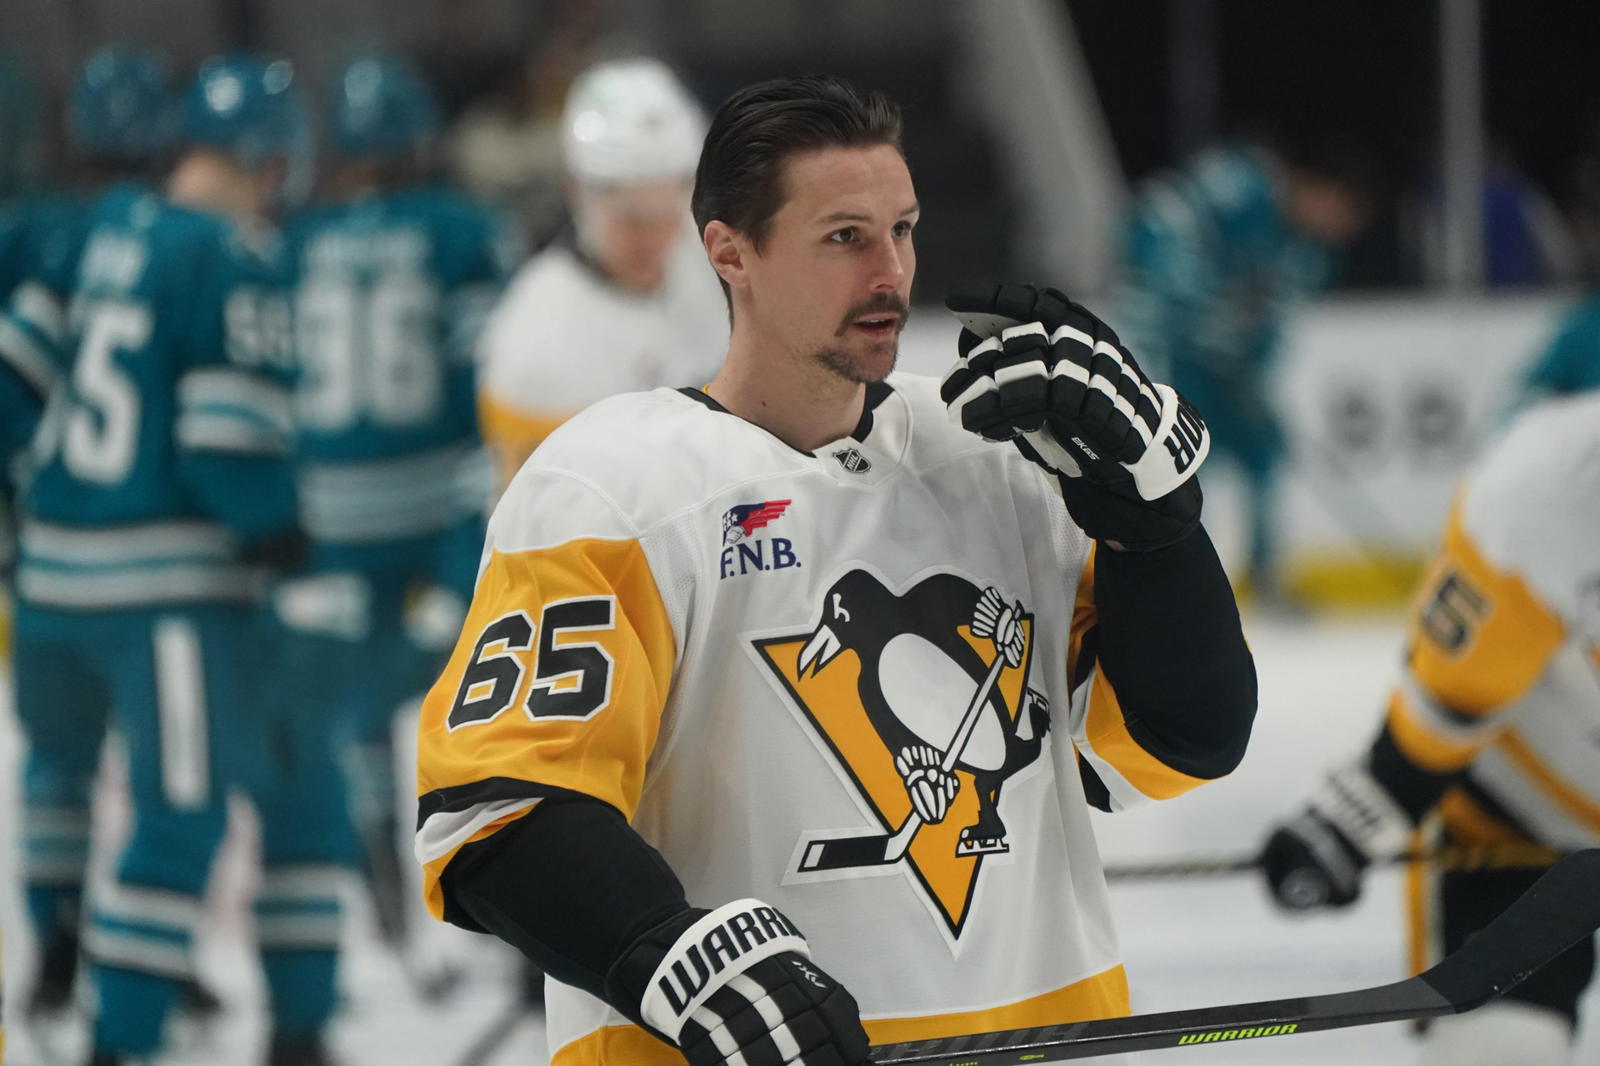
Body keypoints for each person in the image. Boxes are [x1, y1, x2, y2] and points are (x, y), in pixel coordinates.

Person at [416, 74, 1256, 1066]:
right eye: (844, 237)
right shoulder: (609, 491)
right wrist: (675, 956)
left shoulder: (996, 461)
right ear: (730, 252)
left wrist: (1156, 532)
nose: (890, 271)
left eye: (902, 229)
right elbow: (497, 810)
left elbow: (1180, 742)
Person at [11, 53, 311, 1065]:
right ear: (273, 158)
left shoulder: (96, 231)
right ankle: (120, 1037)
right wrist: (282, 535)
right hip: (160, 598)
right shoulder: (235, 253)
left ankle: (55, 947)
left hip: (47, 582)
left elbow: (14, 382)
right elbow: (227, 444)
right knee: (179, 818)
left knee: (56, 772)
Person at [1260, 390, 1600, 1065]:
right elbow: (1452, 702)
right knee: (1504, 1051)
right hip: (1521, 819)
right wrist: (1367, 808)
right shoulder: (1547, 487)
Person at [276, 50, 517, 1000]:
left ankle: (383, 876)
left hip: (328, 513)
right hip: (440, 501)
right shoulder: (458, 228)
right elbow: (489, 375)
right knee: (486, 689)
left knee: (356, 711)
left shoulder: (296, 239)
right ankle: (494, 887)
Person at [3, 45, 184, 1035]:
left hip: (46, 555)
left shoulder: (33, 234)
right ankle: (152, 963)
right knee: (170, 786)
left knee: (55, 766)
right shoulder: (177, 239)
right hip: (153, 561)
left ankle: (55, 945)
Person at [1109, 137, 1369, 602]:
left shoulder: (1310, 254)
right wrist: (1181, 305)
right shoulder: (1240, 185)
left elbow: (1275, 326)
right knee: (1181, 467)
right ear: (1317, 188)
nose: (1338, 229)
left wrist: (1254, 374)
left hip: (1227, 373)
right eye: (1340, 212)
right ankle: (1177, 575)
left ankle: (1265, 575)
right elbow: (1158, 217)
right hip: (1175, 356)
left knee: (1264, 453)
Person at [476, 56, 727, 489]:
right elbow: (549, 514)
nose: (655, 238)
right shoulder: (534, 345)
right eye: (631, 220)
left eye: (668, 216)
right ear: (575, 191)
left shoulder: (708, 258)